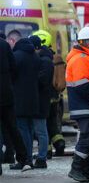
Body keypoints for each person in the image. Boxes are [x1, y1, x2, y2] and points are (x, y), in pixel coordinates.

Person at [66, 27, 89, 183]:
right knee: (88, 136)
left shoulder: (85, 57)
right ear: (88, 42)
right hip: (85, 105)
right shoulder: (81, 58)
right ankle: (76, 169)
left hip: (86, 106)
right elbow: (82, 85)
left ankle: (86, 172)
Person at [8, 30, 44, 171]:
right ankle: (28, 158)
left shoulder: (16, 56)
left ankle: (25, 159)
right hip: (33, 98)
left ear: (13, 41)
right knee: (28, 129)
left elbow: (12, 76)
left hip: (20, 99)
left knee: (22, 129)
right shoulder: (35, 57)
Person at [0, 35, 31, 174]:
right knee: (13, 127)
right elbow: (13, 67)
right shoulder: (4, 45)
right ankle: (24, 159)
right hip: (6, 92)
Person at [32, 30, 66, 157]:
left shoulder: (42, 58)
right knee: (52, 123)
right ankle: (59, 142)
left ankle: (47, 150)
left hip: (45, 97)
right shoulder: (55, 56)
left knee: (43, 126)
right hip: (55, 97)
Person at [28, 35, 53, 168]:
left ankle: (42, 157)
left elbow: (43, 81)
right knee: (39, 130)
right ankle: (40, 155)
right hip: (40, 100)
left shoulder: (44, 61)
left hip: (41, 101)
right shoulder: (44, 59)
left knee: (41, 131)